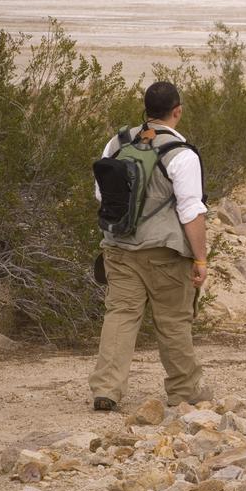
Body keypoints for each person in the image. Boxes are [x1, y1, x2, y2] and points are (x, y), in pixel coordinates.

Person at [89, 81, 210, 411]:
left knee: (120, 316)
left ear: (145, 109)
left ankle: (106, 390)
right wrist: (201, 259)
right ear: (177, 111)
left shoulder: (118, 142)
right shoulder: (181, 154)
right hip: (165, 252)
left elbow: (102, 195)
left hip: (118, 246)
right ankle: (184, 391)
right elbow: (190, 210)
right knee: (172, 320)